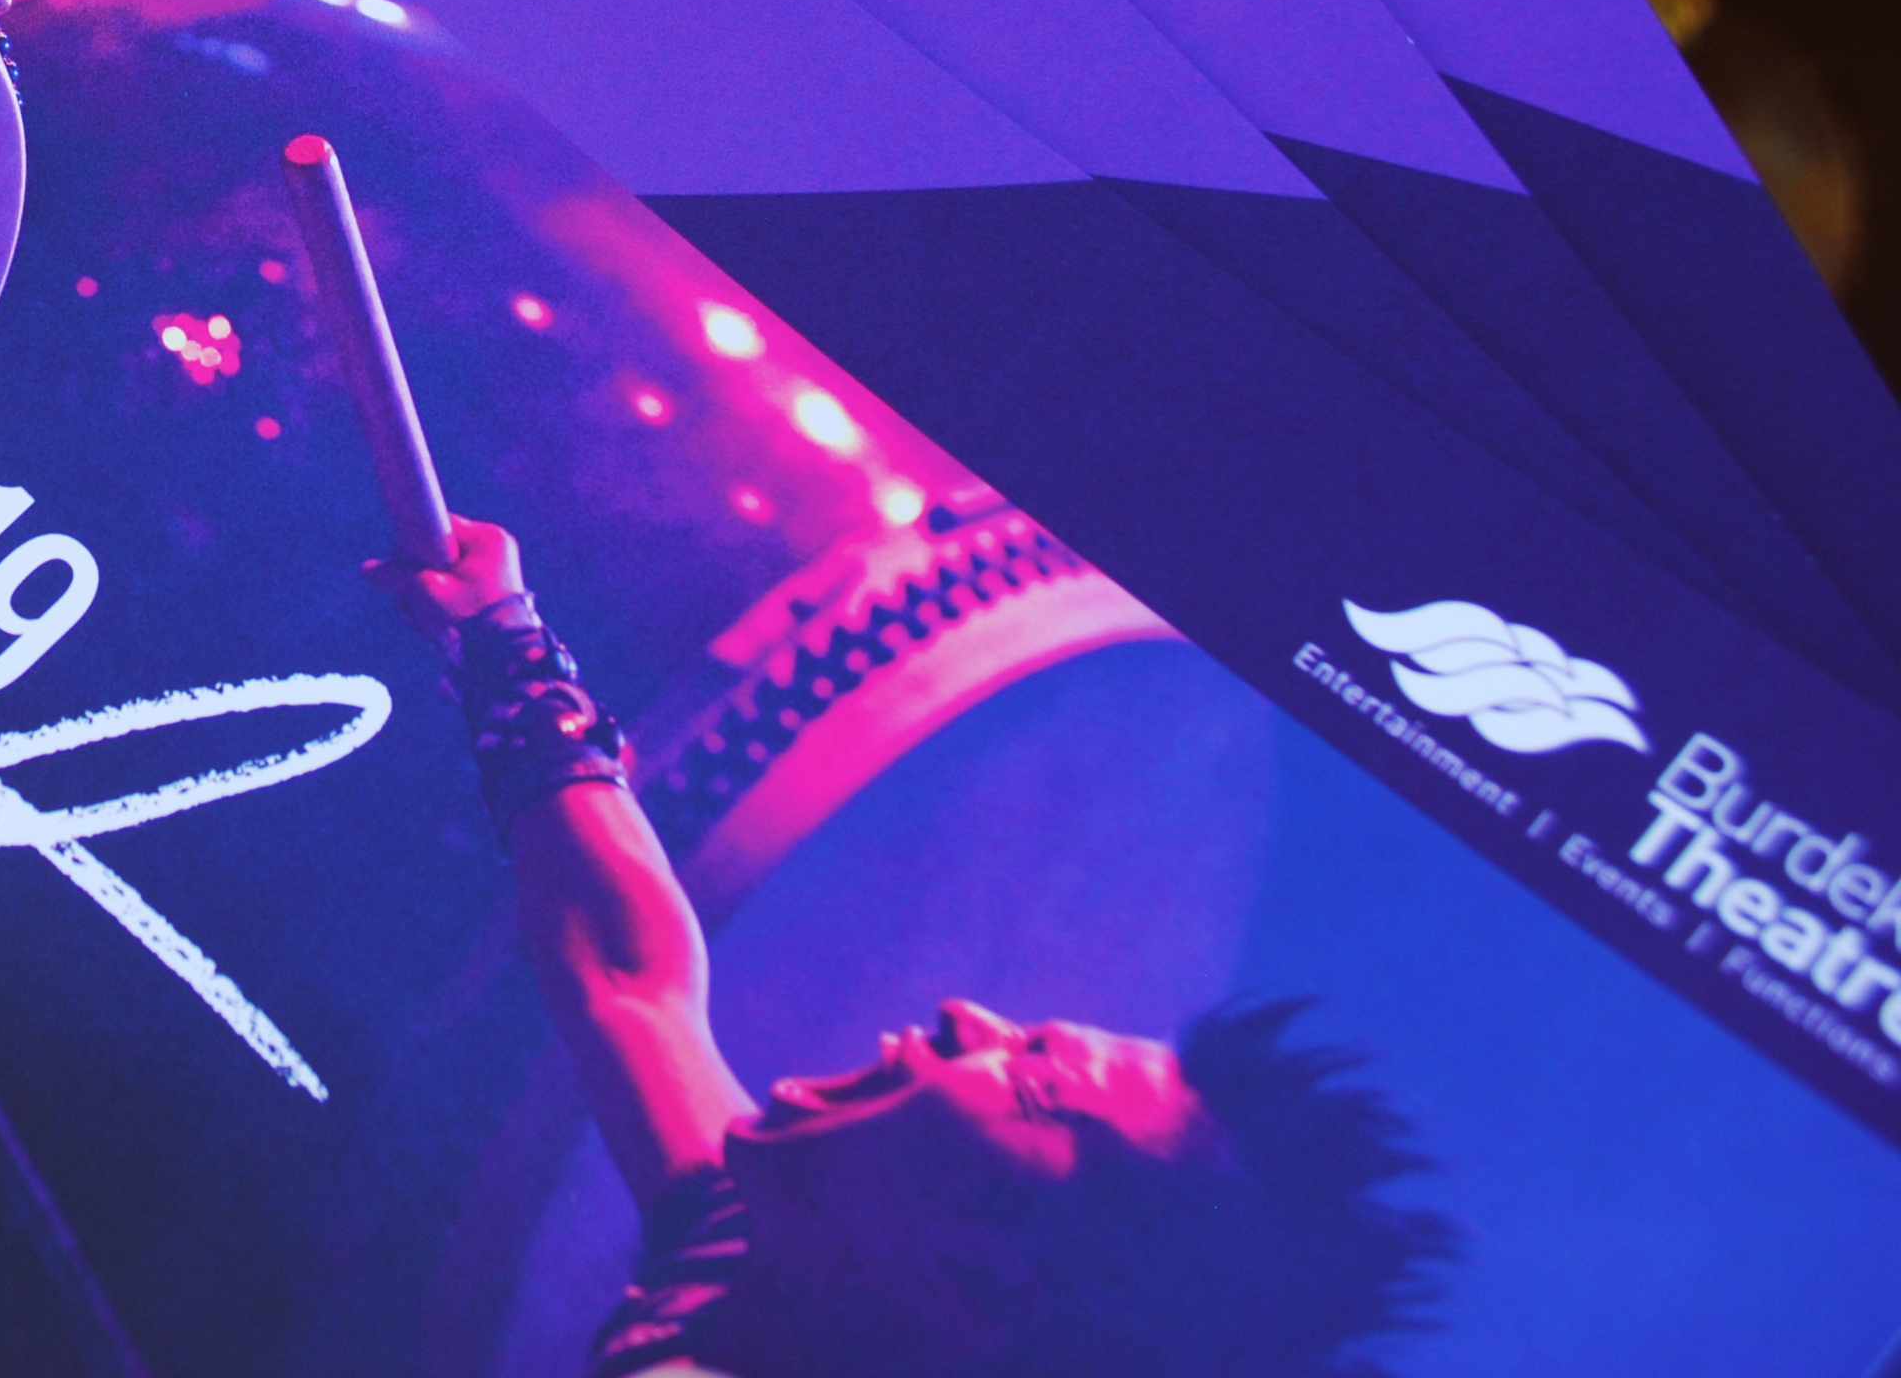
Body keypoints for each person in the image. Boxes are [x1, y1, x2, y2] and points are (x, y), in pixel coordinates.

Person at [375, 515, 1454, 1378]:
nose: (970, 1018)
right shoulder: (769, 1275)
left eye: (1033, 1077)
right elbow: (630, 977)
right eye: (1033, 1036)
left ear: (980, 1286)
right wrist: (504, 641)